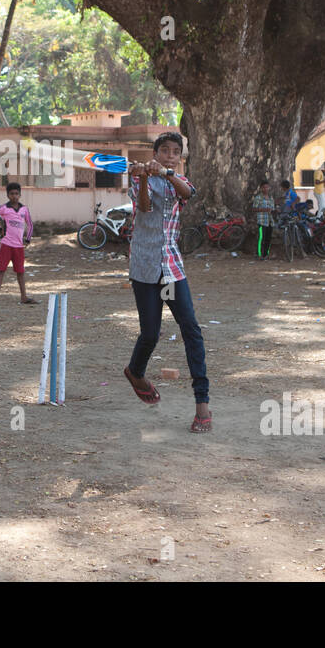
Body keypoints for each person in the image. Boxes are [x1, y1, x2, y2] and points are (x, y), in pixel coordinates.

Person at [122, 132, 211, 433]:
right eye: (164, 151)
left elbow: (186, 193)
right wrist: (144, 176)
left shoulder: (179, 181)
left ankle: (202, 406)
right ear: (156, 152)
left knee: (191, 329)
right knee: (150, 334)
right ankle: (135, 372)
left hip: (170, 270)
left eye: (175, 152)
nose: (170, 155)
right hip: (145, 269)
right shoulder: (138, 179)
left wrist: (165, 173)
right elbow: (144, 207)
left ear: (180, 157)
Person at [0, 182, 37, 306]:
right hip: (6, 244)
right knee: (1, 270)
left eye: (16, 193)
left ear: (20, 194)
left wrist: (28, 239)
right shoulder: (4, 208)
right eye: (12, 194)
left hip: (19, 246)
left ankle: (24, 297)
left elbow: (30, 225)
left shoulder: (24, 209)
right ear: (8, 195)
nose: (14, 196)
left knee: (20, 272)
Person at [250, 179, 276, 260]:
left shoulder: (271, 198)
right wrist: (263, 209)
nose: (266, 189)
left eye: (267, 187)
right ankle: (259, 254)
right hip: (261, 221)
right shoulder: (258, 198)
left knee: (268, 238)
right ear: (261, 188)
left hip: (270, 221)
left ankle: (266, 254)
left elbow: (272, 208)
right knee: (261, 238)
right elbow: (254, 209)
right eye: (264, 187)